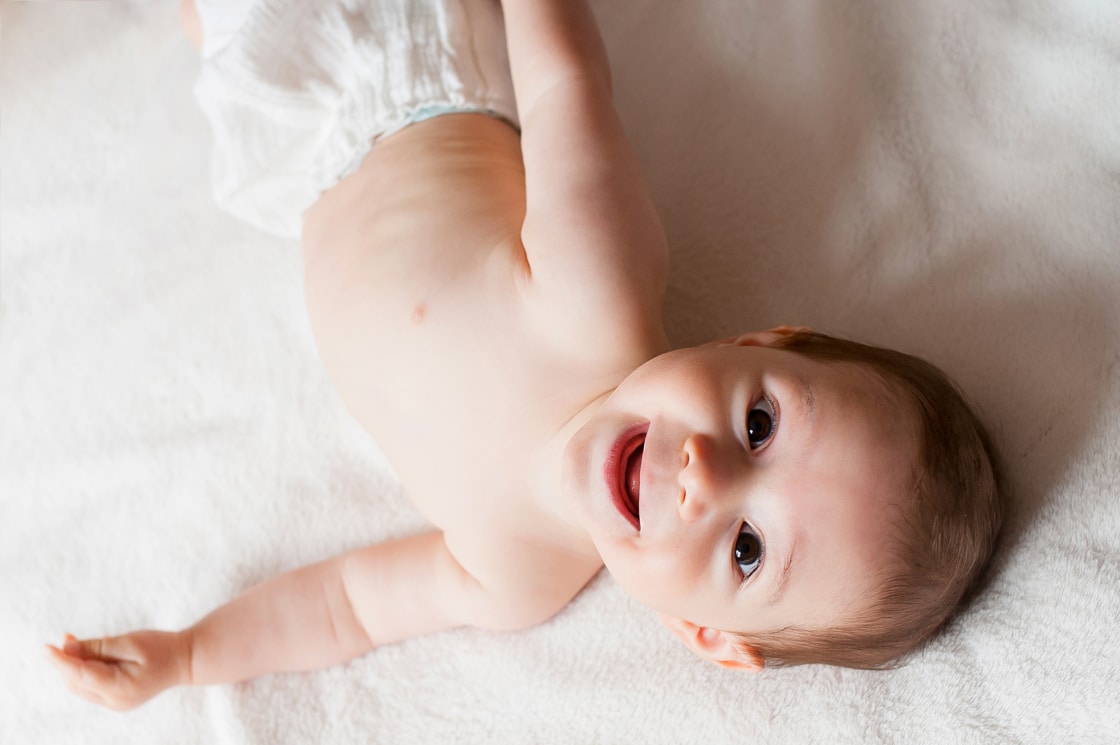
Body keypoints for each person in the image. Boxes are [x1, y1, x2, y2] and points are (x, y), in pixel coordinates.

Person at [47, 0, 1003, 711]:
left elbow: (347, 606)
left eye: (746, 550)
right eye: (759, 424)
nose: (704, 477)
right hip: (385, 54)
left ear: (705, 634)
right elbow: (561, 85)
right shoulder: (595, 292)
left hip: (293, 158)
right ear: (756, 343)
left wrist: (187, 655)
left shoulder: (517, 575)